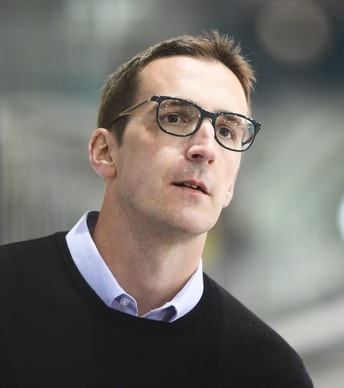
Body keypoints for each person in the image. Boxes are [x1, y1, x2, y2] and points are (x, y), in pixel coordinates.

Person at [0, 31, 313, 387]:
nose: (205, 149)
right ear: (105, 151)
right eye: (176, 117)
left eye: (227, 131)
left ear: (230, 185)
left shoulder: (269, 372)